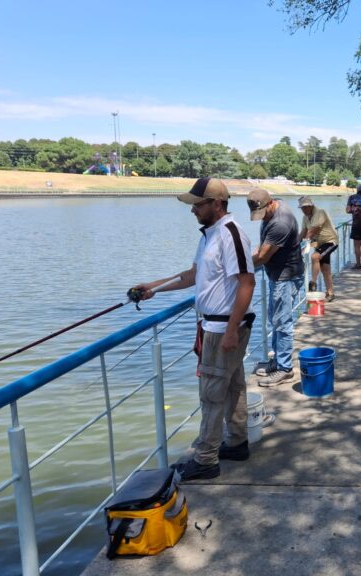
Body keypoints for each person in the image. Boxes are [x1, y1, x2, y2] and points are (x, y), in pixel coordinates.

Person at [130, 177, 256, 481]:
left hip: (223, 327)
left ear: (217, 203)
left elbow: (247, 282)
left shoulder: (230, 234)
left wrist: (229, 330)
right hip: (215, 324)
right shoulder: (209, 236)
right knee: (233, 385)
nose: (193, 211)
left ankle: (205, 458)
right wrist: (154, 287)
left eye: (197, 205)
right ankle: (237, 442)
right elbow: (193, 275)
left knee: (211, 393)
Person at [248, 188, 305, 387]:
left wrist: (238, 268)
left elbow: (263, 257)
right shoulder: (277, 204)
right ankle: (278, 361)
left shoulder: (281, 222)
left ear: (270, 203)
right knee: (275, 319)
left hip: (285, 276)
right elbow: (263, 246)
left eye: (263, 213)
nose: (262, 218)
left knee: (282, 323)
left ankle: (285, 369)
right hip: (277, 274)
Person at [298, 196, 338, 302]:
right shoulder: (305, 218)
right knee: (325, 268)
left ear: (311, 206)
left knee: (315, 257)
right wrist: (295, 244)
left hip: (330, 241)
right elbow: (303, 232)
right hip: (318, 244)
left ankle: (313, 282)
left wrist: (306, 240)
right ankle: (330, 293)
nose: (304, 210)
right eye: (302, 208)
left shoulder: (320, 212)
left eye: (306, 207)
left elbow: (314, 230)